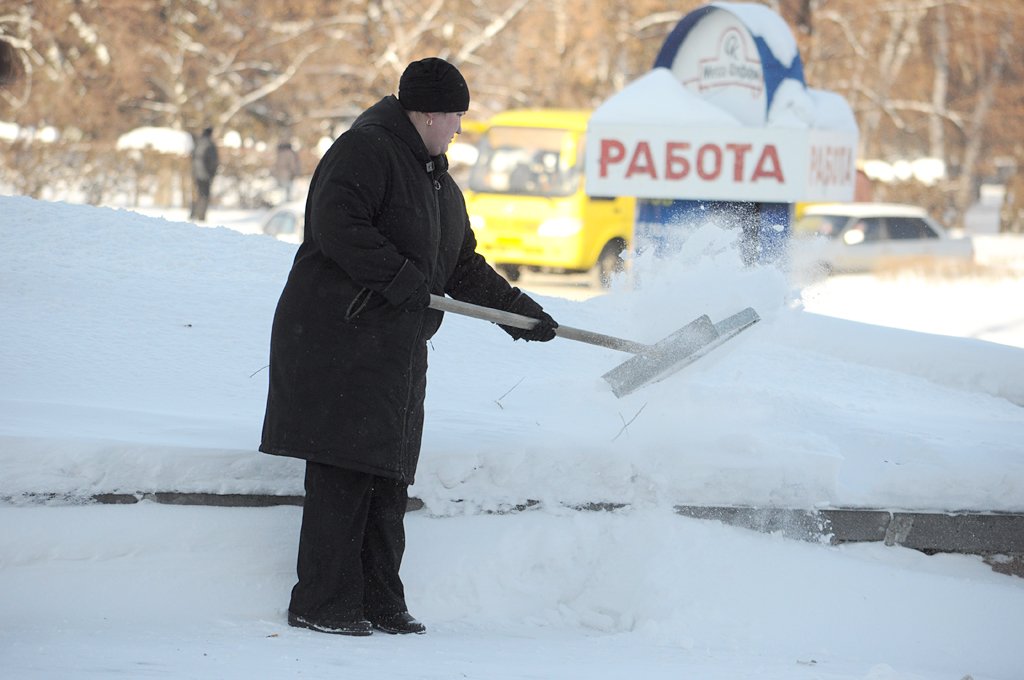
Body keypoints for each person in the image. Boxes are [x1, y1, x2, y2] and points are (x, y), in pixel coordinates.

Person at [259, 57, 558, 637]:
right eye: (454, 117)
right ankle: (322, 602)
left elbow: (462, 265)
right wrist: (404, 286)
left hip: (393, 349)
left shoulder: (437, 182)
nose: (458, 130)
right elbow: (338, 223)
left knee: (386, 476)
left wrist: (518, 313)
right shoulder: (365, 151)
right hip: (341, 338)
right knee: (344, 474)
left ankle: (379, 600)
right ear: (425, 113)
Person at [189, 127, 219, 221]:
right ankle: (201, 216)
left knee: (196, 193)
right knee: (204, 195)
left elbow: (192, 156)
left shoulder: (197, 142)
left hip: (196, 173)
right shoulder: (210, 144)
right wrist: (212, 174)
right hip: (206, 175)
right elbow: (213, 161)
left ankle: (193, 213)